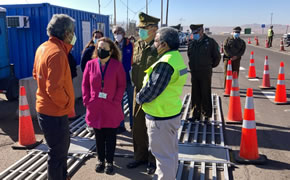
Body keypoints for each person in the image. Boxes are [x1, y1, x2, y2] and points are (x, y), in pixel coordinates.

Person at [137, 27, 188, 180]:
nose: (155, 44)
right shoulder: (176, 58)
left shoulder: (165, 63)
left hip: (160, 118)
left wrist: (139, 98)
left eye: (157, 41)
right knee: (170, 155)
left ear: (165, 44)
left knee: (163, 158)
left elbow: (152, 90)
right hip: (169, 114)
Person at [32, 14, 76, 180]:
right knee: (58, 154)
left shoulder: (43, 47)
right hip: (55, 113)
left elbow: (35, 74)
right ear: (66, 33)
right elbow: (54, 88)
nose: (73, 35)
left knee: (58, 151)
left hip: (45, 110)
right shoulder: (57, 53)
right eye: (72, 32)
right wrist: (66, 104)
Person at [82, 37, 126, 175]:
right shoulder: (90, 64)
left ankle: (109, 161)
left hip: (111, 106)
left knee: (110, 136)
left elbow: (121, 85)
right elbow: (85, 85)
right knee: (98, 136)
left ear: (111, 51)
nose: (100, 51)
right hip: (95, 106)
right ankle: (100, 159)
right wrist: (87, 100)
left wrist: (116, 100)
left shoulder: (117, 65)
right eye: (99, 48)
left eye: (104, 49)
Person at [127, 12, 159, 175]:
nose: (140, 31)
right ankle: (139, 156)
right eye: (140, 29)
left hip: (154, 94)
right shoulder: (138, 44)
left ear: (154, 29)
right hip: (138, 92)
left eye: (143, 28)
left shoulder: (161, 46)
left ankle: (153, 160)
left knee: (153, 129)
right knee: (138, 127)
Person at [187, 24, 221, 121]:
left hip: (205, 72)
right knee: (195, 93)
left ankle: (206, 114)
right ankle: (195, 114)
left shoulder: (210, 42)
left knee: (205, 92)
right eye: (193, 33)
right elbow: (189, 55)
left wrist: (209, 66)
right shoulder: (192, 43)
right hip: (194, 72)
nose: (195, 35)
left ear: (202, 31)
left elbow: (217, 57)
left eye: (196, 32)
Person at [113, 26, 134, 132]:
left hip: (130, 79)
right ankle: (121, 125)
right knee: (118, 103)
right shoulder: (112, 47)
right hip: (118, 81)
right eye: (115, 32)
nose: (117, 34)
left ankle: (133, 124)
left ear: (124, 33)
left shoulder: (131, 45)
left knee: (132, 102)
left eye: (119, 32)